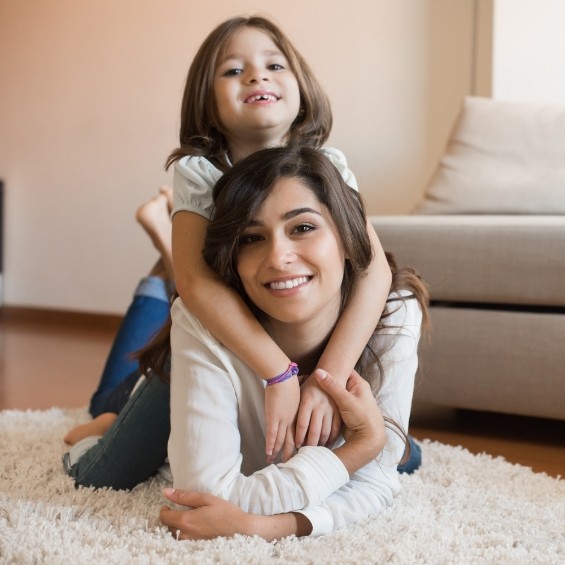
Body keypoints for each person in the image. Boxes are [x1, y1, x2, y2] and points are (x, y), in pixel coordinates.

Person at [156, 145, 429, 540]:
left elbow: (375, 484)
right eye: (251, 238)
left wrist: (265, 526)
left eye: (302, 227)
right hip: (161, 381)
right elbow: (203, 500)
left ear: (347, 237)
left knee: (405, 455)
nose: (279, 256)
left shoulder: (394, 315)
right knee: (105, 462)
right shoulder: (202, 322)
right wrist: (359, 449)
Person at [167, 15, 393, 461]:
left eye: (274, 66)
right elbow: (194, 283)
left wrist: (329, 377)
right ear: (207, 104)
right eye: (233, 71)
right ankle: (109, 415)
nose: (256, 75)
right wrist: (278, 374)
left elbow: (373, 270)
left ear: (302, 88)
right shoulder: (199, 173)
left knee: (402, 455)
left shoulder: (328, 166)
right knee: (110, 466)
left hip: (310, 347)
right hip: (222, 350)